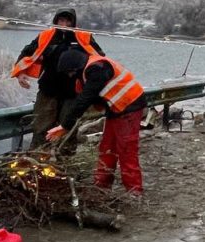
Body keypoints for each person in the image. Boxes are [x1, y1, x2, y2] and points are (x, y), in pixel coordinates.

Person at [47, 50, 146, 196]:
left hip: (129, 107)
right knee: (107, 147)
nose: (70, 76)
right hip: (116, 108)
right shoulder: (91, 67)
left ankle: (134, 191)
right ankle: (102, 186)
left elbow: (86, 98)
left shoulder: (96, 68)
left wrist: (65, 125)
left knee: (126, 149)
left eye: (69, 72)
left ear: (74, 68)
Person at [10, 8, 102, 151]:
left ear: (73, 23)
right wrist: (20, 73)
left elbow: (99, 58)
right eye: (61, 20)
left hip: (73, 92)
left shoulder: (83, 37)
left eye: (68, 21)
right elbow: (27, 52)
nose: (64, 24)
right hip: (48, 89)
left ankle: (65, 162)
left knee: (68, 129)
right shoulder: (46, 36)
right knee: (41, 127)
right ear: (56, 21)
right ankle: (37, 158)